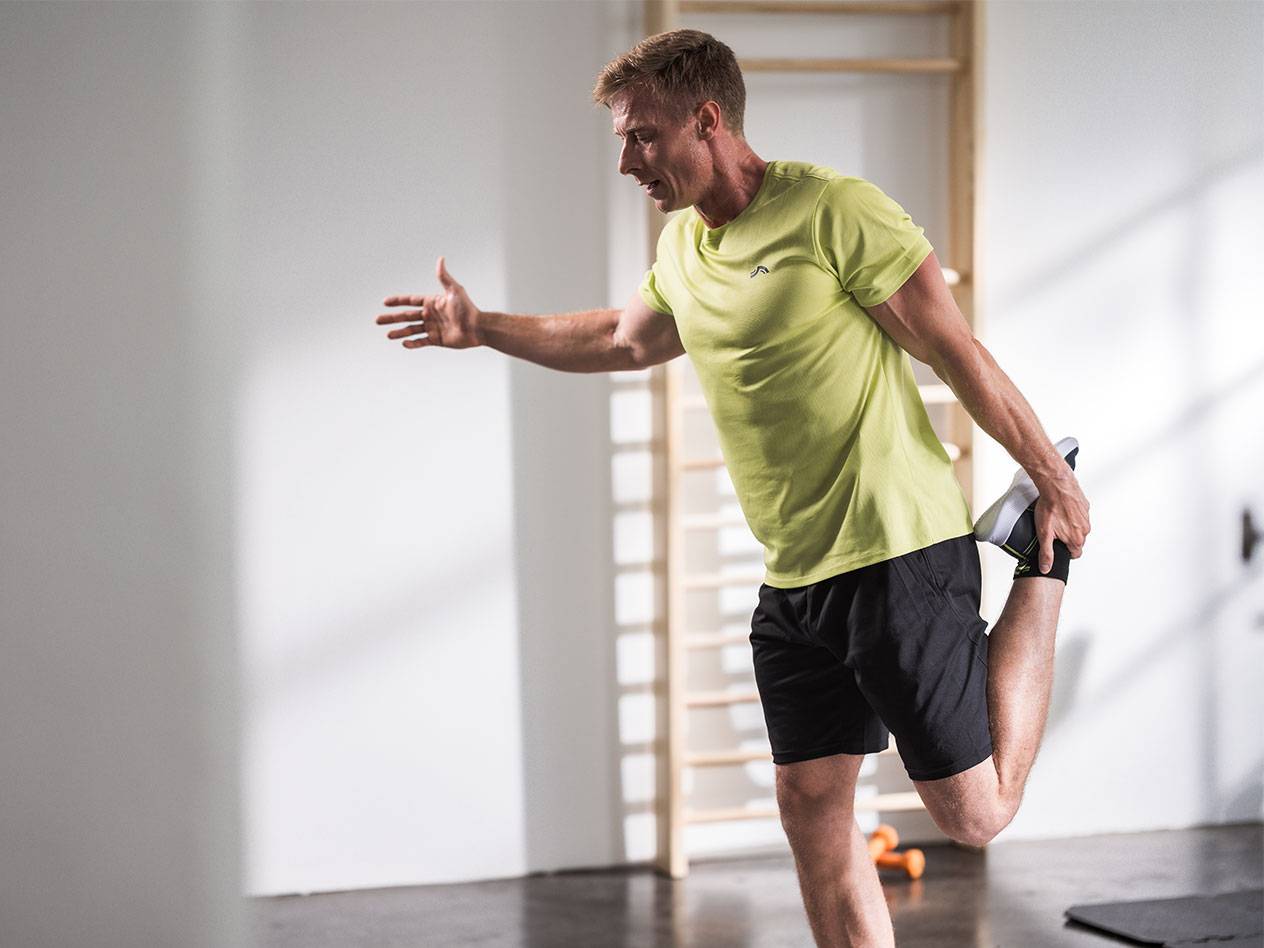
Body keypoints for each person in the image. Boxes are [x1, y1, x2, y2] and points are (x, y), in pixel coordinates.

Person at [375, 28, 1091, 948]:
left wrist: (1050, 476)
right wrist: (482, 327)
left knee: (974, 816)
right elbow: (622, 340)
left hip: (897, 553)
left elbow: (956, 350)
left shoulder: (836, 211)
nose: (629, 162)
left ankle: (1040, 560)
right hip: (796, 584)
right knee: (811, 808)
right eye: (622, 142)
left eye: (643, 136)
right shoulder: (685, 249)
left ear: (707, 121)